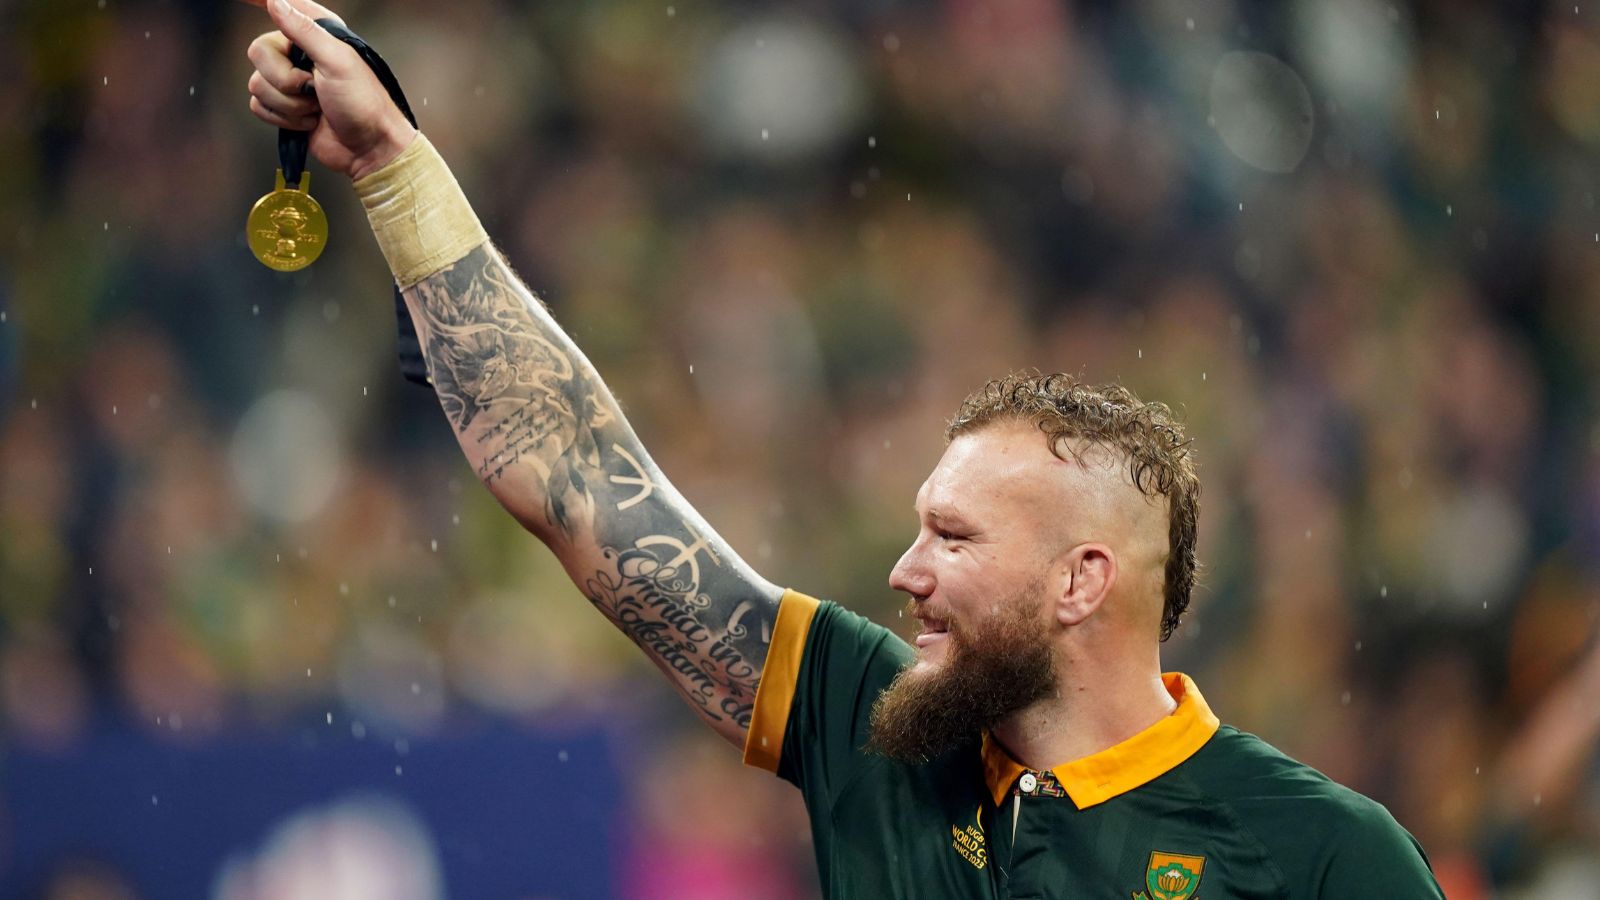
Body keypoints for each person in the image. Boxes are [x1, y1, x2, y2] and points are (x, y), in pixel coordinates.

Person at [245, 1, 1447, 895]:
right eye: (920, 526)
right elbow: (576, 484)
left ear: (1083, 581)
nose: (903, 570)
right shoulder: (870, 722)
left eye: (954, 537)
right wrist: (400, 171)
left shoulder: (1323, 855)